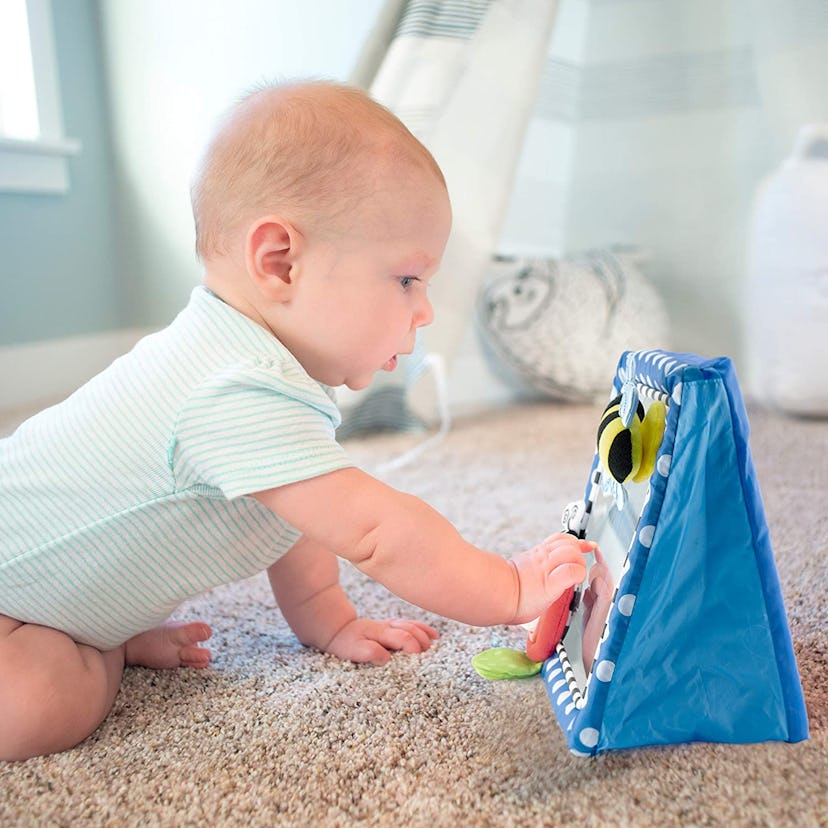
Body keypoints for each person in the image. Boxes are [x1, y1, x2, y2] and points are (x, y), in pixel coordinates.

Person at [0, 81, 594, 761]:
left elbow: (297, 520)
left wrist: (329, 620)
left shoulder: (265, 381)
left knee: (54, 683)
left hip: (40, 601)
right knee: (34, 708)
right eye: (406, 280)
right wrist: (508, 585)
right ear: (281, 261)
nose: (424, 310)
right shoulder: (229, 386)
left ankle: (97, 636)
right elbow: (377, 531)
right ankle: (100, 645)